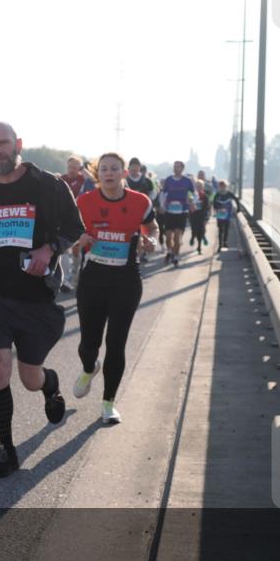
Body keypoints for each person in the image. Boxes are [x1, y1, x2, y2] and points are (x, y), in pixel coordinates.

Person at [0, 122, 83, 478]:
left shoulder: (48, 185)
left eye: (3, 143)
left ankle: (50, 385)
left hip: (35, 296)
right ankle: (6, 450)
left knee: (30, 378)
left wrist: (49, 248)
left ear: (18, 145)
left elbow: (74, 227)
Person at [72, 152, 158, 424]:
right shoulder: (84, 202)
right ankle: (89, 368)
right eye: (104, 169)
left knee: (116, 344)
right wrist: (80, 238)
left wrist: (151, 241)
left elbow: (152, 227)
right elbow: (70, 233)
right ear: (98, 174)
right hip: (93, 280)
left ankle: (108, 403)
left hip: (126, 281)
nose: (109, 173)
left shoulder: (139, 201)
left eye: (114, 169)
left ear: (124, 173)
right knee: (88, 345)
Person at [60, 156, 93, 292]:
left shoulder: (84, 180)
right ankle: (66, 280)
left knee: (76, 249)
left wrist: (86, 172)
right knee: (64, 250)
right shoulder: (61, 179)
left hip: (80, 219)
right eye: (70, 167)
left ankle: (75, 271)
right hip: (63, 218)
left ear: (79, 168)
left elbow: (95, 182)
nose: (72, 170)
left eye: (75, 167)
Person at [159, 160, 196, 267]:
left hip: (182, 212)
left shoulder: (187, 181)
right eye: (175, 166)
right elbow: (163, 194)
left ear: (182, 168)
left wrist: (192, 203)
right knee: (168, 237)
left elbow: (194, 193)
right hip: (169, 212)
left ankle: (175, 257)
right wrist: (162, 206)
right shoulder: (169, 180)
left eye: (178, 167)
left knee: (177, 237)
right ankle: (170, 252)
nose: (176, 168)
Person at [125, 158, 155, 262]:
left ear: (139, 168)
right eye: (132, 168)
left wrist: (148, 202)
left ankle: (143, 251)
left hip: (143, 210)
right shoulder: (125, 180)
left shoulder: (147, 180)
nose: (134, 170)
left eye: (136, 168)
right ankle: (134, 252)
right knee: (133, 233)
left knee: (144, 231)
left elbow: (153, 193)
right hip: (127, 211)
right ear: (129, 168)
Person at [188, 179, 211, 254]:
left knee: (201, 230)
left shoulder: (205, 196)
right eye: (197, 186)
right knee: (194, 229)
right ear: (195, 187)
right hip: (193, 215)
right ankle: (192, 237)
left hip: (201, 216)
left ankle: (199, 247)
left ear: (203, 187)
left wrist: (207, 215)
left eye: (200, 186)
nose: (199, 187)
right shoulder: (192, 195)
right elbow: (188, 203)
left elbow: (207, 207)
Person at [212, 180, 236, 251]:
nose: (222, 188)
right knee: (220, 230)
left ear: (226, 186)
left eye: (224, 186)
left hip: (227, 215)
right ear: (219, 187)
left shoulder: (229, 194)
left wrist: (238, 209)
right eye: (221, 186)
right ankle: (220, 245)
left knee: (226, 229)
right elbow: (214, 203)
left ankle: (225, 243)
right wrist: (217, 209)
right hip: (220, 214)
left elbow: (236, 200)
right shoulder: (217, 194)